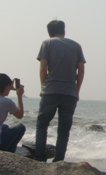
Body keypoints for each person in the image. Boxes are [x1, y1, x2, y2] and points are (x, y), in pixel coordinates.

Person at [35, 20, 85, 162]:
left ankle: (40, 158)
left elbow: (43, 68)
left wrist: (43, 87)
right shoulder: (76, 46)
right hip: (69, 92)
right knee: (64, 129)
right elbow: (81, 71)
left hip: (50, 90)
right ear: (64, 31)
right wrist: (77, 91)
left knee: (42, 124)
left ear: (49, 33)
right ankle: (58, 160)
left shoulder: (47, 43)